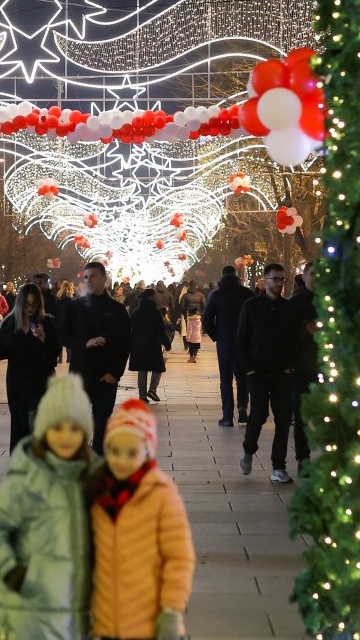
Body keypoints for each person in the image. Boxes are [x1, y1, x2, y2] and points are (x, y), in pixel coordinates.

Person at [0, 374, 97, 640]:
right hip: (27, 607)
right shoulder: (26, 477)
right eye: (57, 428)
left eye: (74, 429)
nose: (66, 437)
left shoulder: (94, 479)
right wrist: (11, 570)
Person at [90, 399, 194, 640]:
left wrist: (171, 610)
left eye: (131, 453)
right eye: (114, 451)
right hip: (104, 621)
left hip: (148, 621)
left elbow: (179, 558)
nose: (121, 460)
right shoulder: (97, 493)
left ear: (147, 452)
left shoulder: (161, 495)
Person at [235, 264, 301, 484]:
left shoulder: (288, 308)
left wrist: (290, 365)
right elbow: (242, 339)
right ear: (265, 281)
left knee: (283, 419)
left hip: (282, 372)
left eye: (283, 280)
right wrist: (249, 369)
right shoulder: (251, 306)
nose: (280, 283)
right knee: (259, 415)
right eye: (276, 279)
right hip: (258, 372)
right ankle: (248, 450)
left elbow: (295, 340)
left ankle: (278, 467)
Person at [64, 262, 132, 454]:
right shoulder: (75, 307)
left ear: (104, 279)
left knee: (102, 425)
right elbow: (62, 335)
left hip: (106, 377)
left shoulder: (116, 309)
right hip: (80, 375)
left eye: (93, 276)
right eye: (86, 277)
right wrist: (84, 343)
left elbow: (125, 343)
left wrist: (115, 373)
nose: (88, 281)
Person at [0, 283, 61, 450]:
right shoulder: (9, 323)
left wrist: (43, 338)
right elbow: (5, 350)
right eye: (26, 304)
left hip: (41, 380)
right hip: (17, 381)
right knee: (19, 423)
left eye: (33, 304)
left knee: (35, 422)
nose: (30, 308)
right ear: (20, 303)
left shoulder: (46, 322)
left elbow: (55, 351)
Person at [203, 266, 255, 427]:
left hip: (225, 341)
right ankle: (242, 407)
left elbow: (207, 320)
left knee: (225, 378)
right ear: (236, 276)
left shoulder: (216, 295)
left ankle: (227, 416)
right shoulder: (247, 294)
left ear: (222, 276)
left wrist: (216, 335)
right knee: (242, 376)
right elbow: (254, 319)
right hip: (243, 342)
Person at [289, 262, 320, 478]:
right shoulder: (296, 302)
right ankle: (303, 458)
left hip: (328, 366)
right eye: (314, 274)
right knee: (301, 416)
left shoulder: (331, 301)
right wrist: (305, 329)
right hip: (302, 366)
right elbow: (285, 334)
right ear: (305, 276)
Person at [129, 289, 172, 403]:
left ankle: (142, 395)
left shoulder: (136, 312)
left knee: (142, 369)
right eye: (155, 295)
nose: (157, 298)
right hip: (152, 344)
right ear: (152, 297)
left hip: (138, 345)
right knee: (158, 368)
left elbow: (130, 329)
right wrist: (167, 344)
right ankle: (152, 390)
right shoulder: (155, 312)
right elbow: (161, 331)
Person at [54, 280, 77, 365]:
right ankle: (69, 358)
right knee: (69, 341)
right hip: (69, 322)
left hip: (60, 321)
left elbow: (56, 310)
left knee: (59, 340)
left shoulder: (58, 298)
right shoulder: (72, 299)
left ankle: (59, 358)